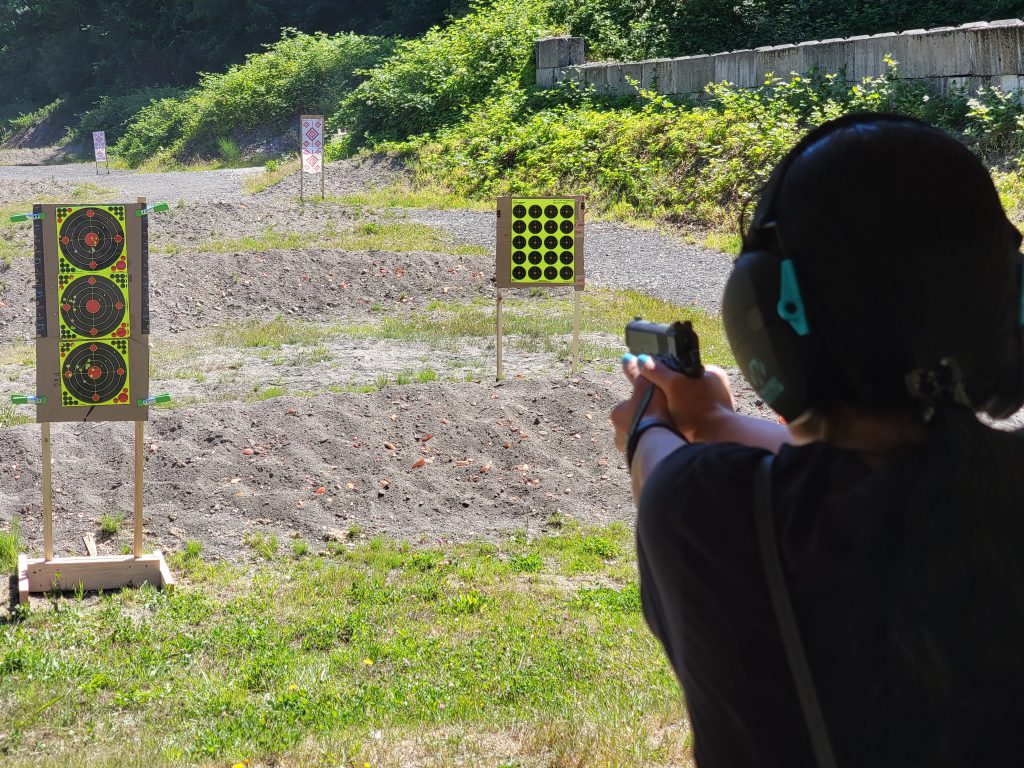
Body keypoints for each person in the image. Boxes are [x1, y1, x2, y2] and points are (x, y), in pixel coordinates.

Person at [610, 114, 1024, 767]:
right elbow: (896, 468)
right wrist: (717, 421)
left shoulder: (706, 512)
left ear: (768, 310)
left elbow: (665, 469)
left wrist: (650, 421)